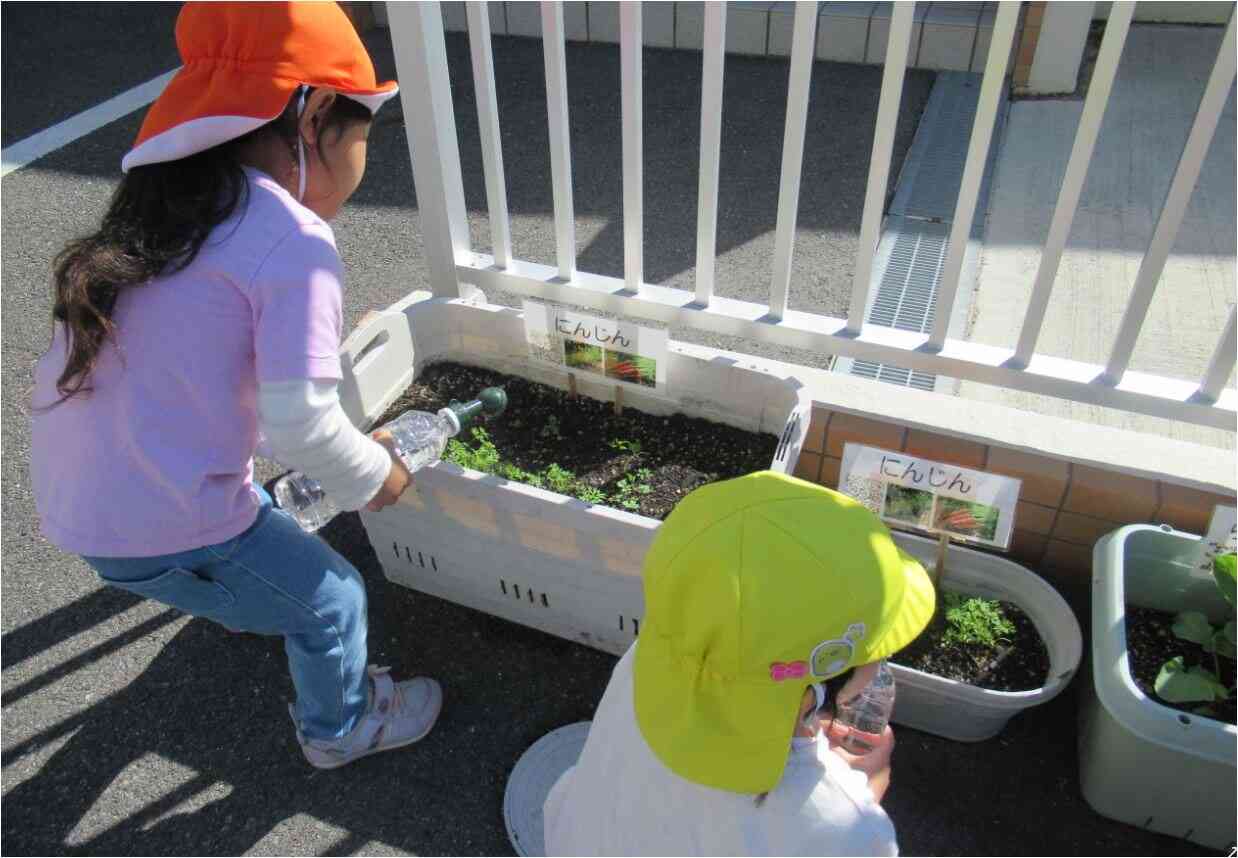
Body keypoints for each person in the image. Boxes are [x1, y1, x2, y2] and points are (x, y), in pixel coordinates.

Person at [29, 2, 440, 770]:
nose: (362, 160)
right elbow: (302, 424)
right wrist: (376, 476)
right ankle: (339, 730)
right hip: (165, 519)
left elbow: (187, 371)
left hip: (84, 500)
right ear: (317, 111)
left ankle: (235, 598)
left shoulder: (162, 209)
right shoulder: (292, 239)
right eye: (363, 134)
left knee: (249, 555)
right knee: (332, 603)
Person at [543, 471, 936, 855]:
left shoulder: (654, 659)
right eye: (879, 644)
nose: (884, 654)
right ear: (811, 687)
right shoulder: (845, 826)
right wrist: (868, 784)